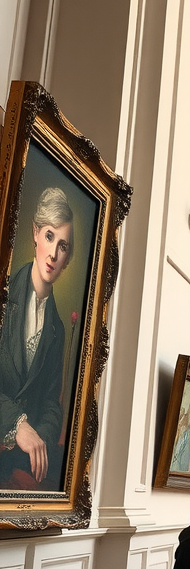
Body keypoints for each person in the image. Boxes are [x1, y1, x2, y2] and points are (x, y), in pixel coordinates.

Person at [0, 187, 75, 489]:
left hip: (20, 461)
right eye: (49, 236)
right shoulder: (4, 295)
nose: (54, 254)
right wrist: (18, 425)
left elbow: (51, 403)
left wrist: (36, 440)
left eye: (64, 246)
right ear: (35, 232)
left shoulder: (56, 328)